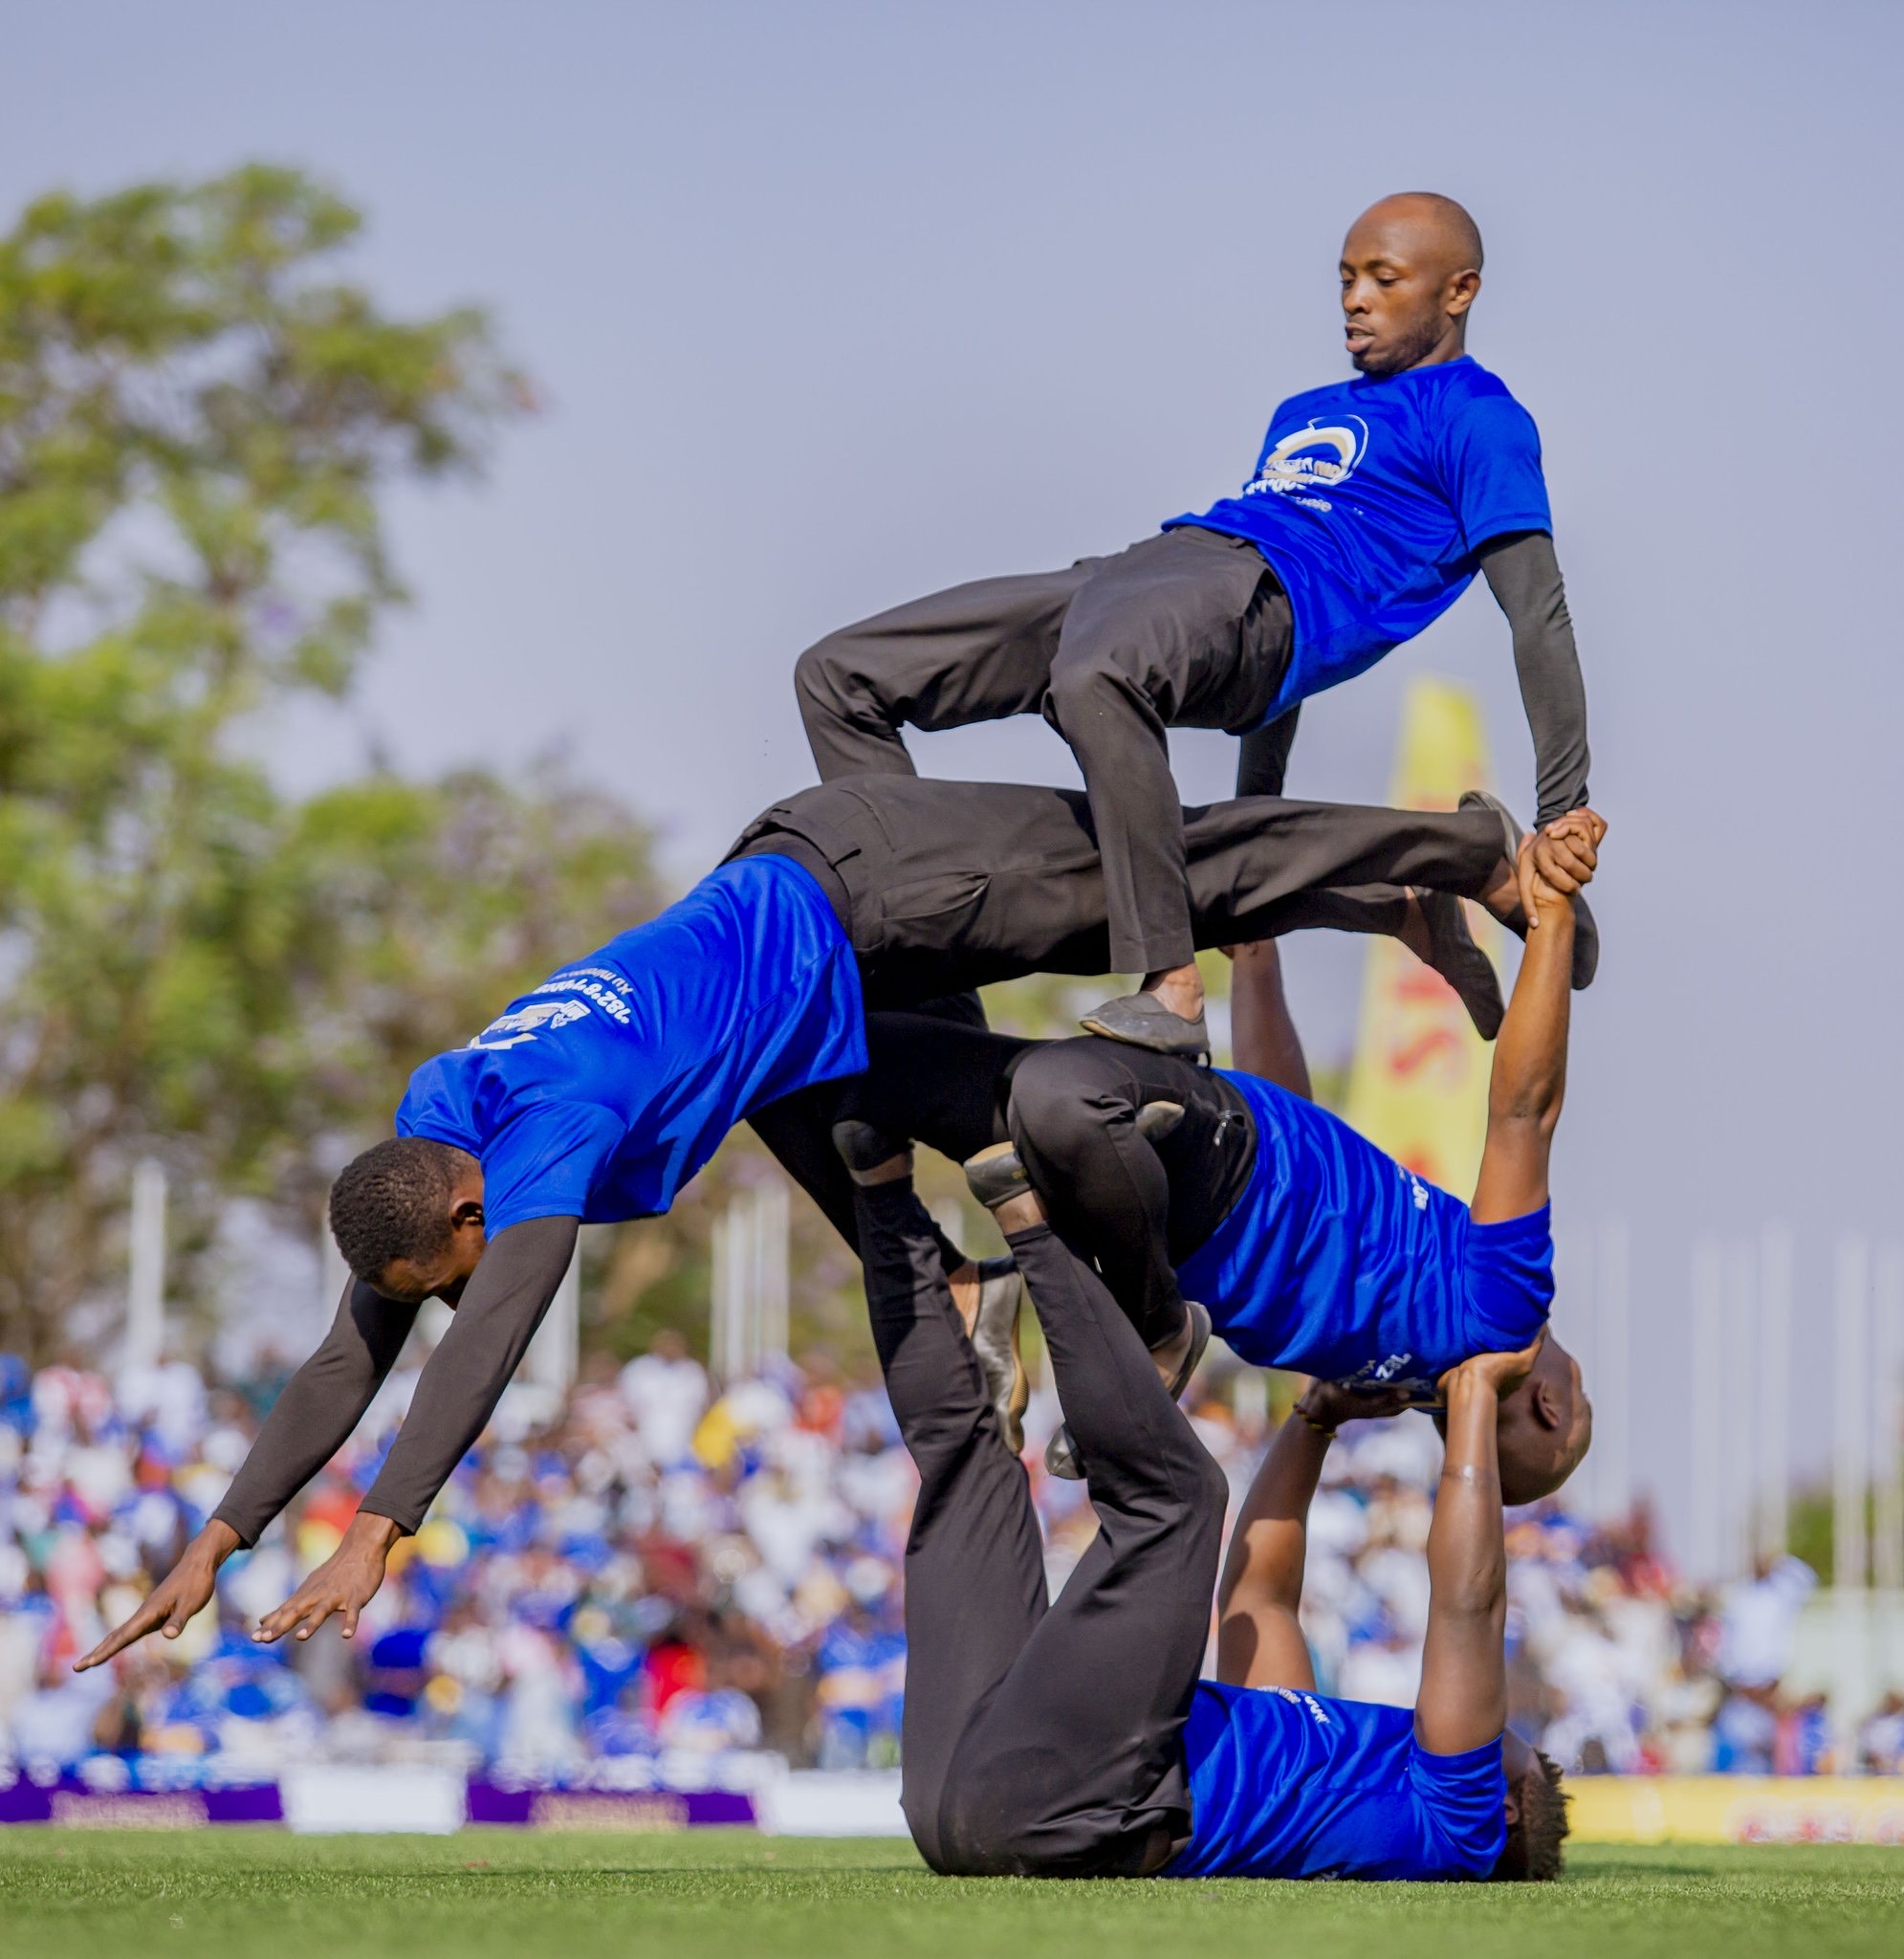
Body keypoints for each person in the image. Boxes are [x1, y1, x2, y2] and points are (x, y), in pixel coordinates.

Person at [75, 775, 1561, 1670]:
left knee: (1153, 873)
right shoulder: (439, 1108)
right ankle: (987, 1290)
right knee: (875, 1125)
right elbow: (358, 1350)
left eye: (448, 1275)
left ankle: (1430, 860)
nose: (451, 1301)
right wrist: (220, 1536)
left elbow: (492, 1343)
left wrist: (380, 1534)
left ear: (471, 1208)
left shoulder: (548, 1126)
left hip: (865, 896)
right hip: (809, 1026)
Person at [796, 192, 1596, 1055]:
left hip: (1263, 593)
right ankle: (926, 993)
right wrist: (1260, 812)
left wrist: (1564, 809)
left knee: (1096, 677)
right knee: (842, 676)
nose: (1353, 299)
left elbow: (1537, 612)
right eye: (1345, 279)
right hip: (1159, 564)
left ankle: (1173, 990)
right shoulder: (1303, 410)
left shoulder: (1478, 418)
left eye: (1383, 279)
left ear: (1459, 291)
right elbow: (1236, 631)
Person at [830, 1114, 1568, 1881]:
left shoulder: (1457, 1823)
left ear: (1505, 1807)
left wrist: (1477, 1393)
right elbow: (1259, 1597)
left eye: (1504, 1744)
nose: (1489, 1719)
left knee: (1179, 1499)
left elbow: (1469, 1605)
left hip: (1079, 1805)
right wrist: (1315, 1421)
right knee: (970, 1467)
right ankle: (879, 1187)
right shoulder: (1316, 1757)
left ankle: (1031, 1225)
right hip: (966, 1809)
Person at [788, 809, 1604, 1500]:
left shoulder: (1479, 1330)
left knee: (1004, 1092)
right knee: (829, 1064)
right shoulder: (1436, 1345)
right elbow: (1327, 1132)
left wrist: (1551, 921)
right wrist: (1256, 961)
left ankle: (1146, 1333)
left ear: (1551, 1410)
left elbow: (1522, 1114)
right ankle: (975, 1285)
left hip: (1174, 1191)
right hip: (1209, 1151)